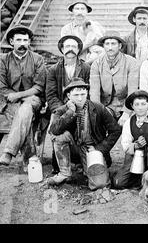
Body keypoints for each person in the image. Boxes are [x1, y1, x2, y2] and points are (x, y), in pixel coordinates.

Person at [47, 78, 122, 189]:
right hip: (74, 148)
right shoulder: (62, 110)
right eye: (76, 95)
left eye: (83, 94)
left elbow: (116, 130)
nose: (80, 98)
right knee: (59, 136)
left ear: (87, 93)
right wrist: (70, 113)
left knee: (100, 184)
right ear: (68, 95)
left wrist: (100, 148)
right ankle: (64, 173)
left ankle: (86, 168)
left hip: (92, 151)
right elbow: (54, 130)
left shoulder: (98, 108)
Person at [0, 26, 46, 166]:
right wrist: (20, 98)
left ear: (29, 42)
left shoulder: (38, 59)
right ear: (12, 42)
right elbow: (1, 87)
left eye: (25, 40)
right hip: (10, 101)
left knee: (26, 108)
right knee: (23, 114)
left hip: (34, 100)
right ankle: (30, 159)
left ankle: (8, 152)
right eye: (19, 40)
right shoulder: (3, 60)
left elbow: (39, 86)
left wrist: (20, 95)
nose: (22, 43)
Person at [46, 35, 90, 172]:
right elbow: (51, 95)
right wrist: (63, 109)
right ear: (62, 49)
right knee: (57, 125)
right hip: (61, 107)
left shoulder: (86, 68)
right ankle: (59, 165)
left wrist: (80, 106)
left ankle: (82, 161)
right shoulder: (54, 69)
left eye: (73, 47)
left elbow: (90, 91)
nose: (70, 49)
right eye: (67, 46)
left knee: (85, 126)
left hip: (81, 106)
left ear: (78, 50)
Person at [112, 90, 148, 189]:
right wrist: (135, 145)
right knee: (119, 183)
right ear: (132, 106)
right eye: (137, 104)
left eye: (143, 104)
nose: (140, 107)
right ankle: (137, 179)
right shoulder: (129, 122)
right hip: (136, 157)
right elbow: (125, 146)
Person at [90, 31, 139, 126]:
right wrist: (100, 113)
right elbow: (94, 92)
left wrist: (127, 112)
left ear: (120, 46)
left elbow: (133, 90)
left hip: (126, 104)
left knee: (129, 127)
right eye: (107, 44)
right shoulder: (96, 64)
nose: (110, 47)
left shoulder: (131, 62)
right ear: (103, 46)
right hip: (106, 106)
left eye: (113, 44)